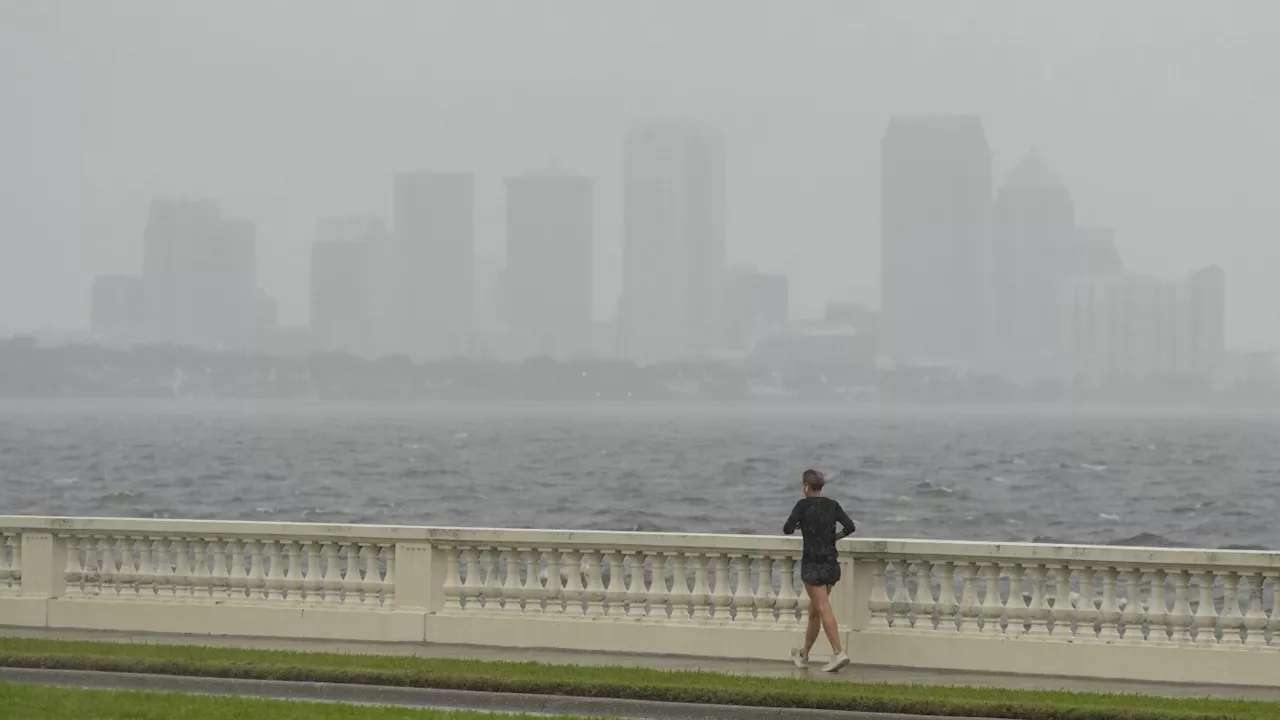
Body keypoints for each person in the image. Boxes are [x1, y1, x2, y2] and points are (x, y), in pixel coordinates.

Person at [783, 469, 855, 672]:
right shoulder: (833, 505)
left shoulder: (802, 506)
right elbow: (849, 527)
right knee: (814, 611)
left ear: (806, 486)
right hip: (831, 565)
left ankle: (838, 652)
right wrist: (834, 537)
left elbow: (787, 528)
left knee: (823, 607)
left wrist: (801, 526)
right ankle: (804, 654)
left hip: (812, 565)